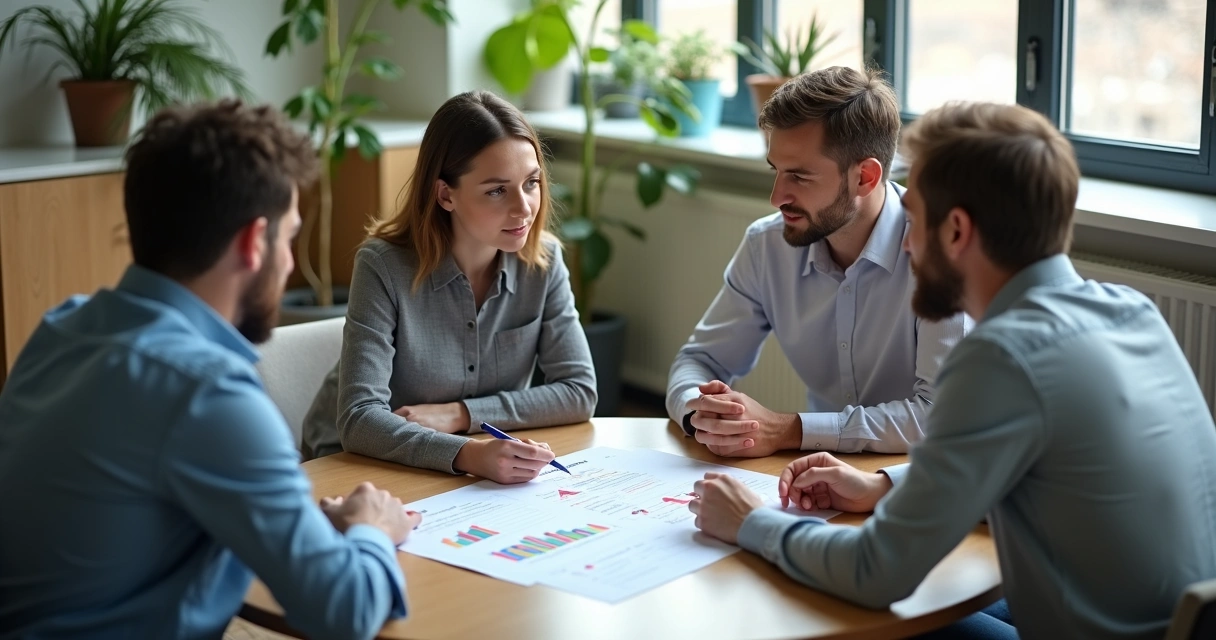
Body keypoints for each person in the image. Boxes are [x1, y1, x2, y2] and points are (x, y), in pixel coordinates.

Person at [688, 101, 1216, 639]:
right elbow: (1036, 471)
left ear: (957, 230)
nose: (907, 241)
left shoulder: (1002, 358)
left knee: (820, 613)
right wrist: (883, 488)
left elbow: (875, 573)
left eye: (914, 218)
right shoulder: (1132, 312)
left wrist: (751, 522)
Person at [0, 101, 420, 639]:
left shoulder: (62, 330)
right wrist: (372, 530)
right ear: (252, 242)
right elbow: (347, 612)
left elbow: (129, 513)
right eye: (289, 238)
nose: (290, 262)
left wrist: (309, 526)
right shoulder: (208, 392)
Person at [666, 66, 970, 458]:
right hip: (815, 473)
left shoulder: (941, 250)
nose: (776, 198)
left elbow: (939, 417)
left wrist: (789, 429)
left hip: (920, 482)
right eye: (776, 171)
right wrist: (704, 413)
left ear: (865, 177)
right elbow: (699, 360)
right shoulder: (766, 245)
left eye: (800, 176)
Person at [301, 90, 596, 483]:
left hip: (467, 466)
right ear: (445, 194)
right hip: (356, 464)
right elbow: (358, 419)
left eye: (531, 182)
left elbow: (578, 392)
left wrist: (462, 414)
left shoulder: (544, 263)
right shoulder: (383, 266)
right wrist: (469, 453)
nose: (524, 207)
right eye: (497, 190)